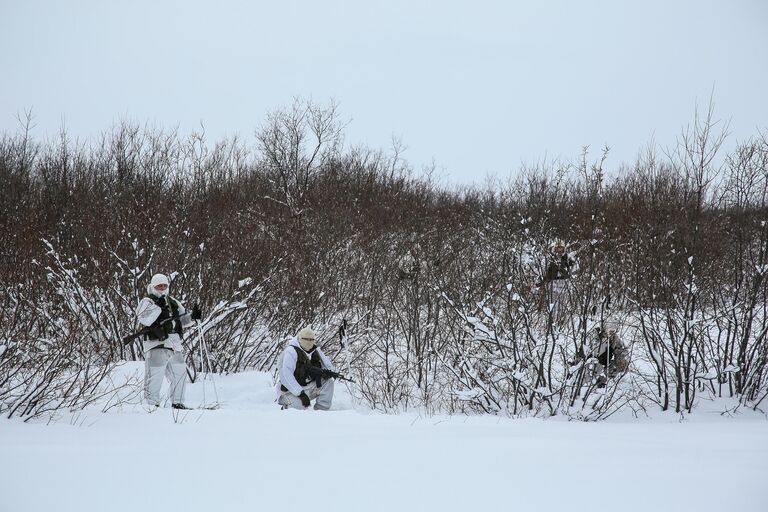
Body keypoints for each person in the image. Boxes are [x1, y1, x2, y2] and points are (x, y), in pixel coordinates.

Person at [135, 273, 201, 409]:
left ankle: (178, 402)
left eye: (165, 285)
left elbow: (182, 321)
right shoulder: (147, 301)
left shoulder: (173, 302)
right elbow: (145, 318)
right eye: (159, 286)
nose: (162, 288)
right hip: (157, 343)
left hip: (174, 343)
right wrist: (158, 308)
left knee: (180, 373)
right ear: (153, 286)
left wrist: (193, 317)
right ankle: (151, 405)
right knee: (155, 374)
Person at [276, 327, 336, 410]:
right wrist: (300, 393)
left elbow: (328, 366)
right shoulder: (291, 351)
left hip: (308, 386)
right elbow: (286, 376)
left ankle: (321, 412)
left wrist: (327, 373)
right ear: (300, 338)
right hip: (289, 391)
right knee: (299, 409)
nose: (309, 342)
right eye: (306, 339)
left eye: (311, 339)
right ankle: (287, 408)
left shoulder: (315, 351)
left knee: (328, 382)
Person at [537, 239, 579, 319]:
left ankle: (561, 319)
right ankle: (552, 319)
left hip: (564, 283)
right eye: (558, 248)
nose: (559, 250)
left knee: (562, 303)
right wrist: (543, 282)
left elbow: (573, 270)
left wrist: (565, 269)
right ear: (555, 248)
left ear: (564, 248)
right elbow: (549, 271)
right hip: (553, 283)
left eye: (561, 248)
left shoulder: (567, 257)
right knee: (552, 302)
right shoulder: (552, 258)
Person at [581, 319, 629, 387]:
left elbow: (622, 352)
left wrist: (622, 362)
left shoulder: (615, 339)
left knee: (618, 365)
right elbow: (590, 352)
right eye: (610, 329)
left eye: (613, 329)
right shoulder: (595, 336)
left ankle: (601, 381)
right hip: (589, 363)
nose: (611, 332)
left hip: (603, 363)